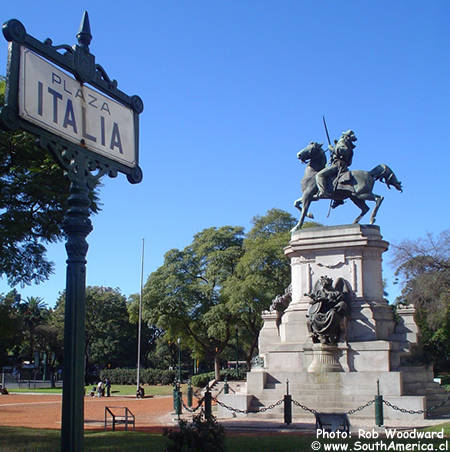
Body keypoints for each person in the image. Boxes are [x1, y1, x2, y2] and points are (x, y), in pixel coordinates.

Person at [315, 130, 357, 205]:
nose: (343, 137)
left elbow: (343, 151)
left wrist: (332, 149)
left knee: (319, 175)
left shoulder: (343, 144)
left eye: (345, 136)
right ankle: (337, 199)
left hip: (338, 166)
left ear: (346, 137)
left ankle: (322, 192)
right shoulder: (348, 146)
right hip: (342, 166)